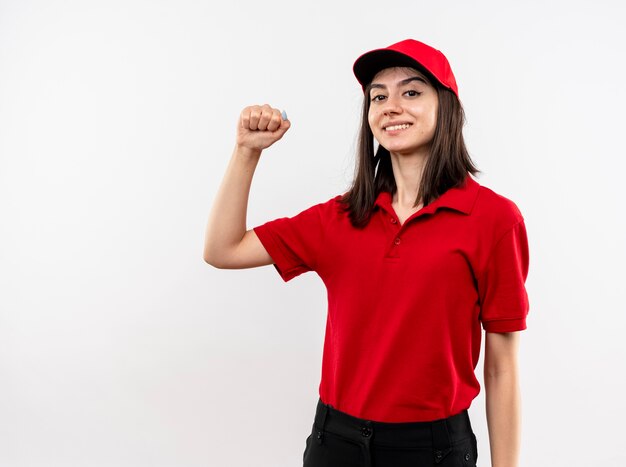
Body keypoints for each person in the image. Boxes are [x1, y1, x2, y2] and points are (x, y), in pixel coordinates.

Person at [204, 38, 529, 467]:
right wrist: (247, 151)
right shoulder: (340, 217)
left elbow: (502, 366)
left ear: (446, 107)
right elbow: (223, 249)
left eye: (411, 92)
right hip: (335, 442)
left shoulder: (493, 219)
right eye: (379, 96)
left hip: (434, 448)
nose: (391, 106)